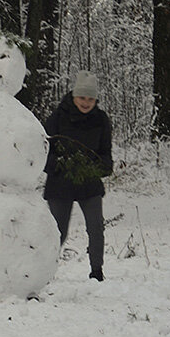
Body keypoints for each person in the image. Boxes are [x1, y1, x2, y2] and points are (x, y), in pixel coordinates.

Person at [42, 69, 114, 281]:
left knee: (96, 226)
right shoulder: (57, 117)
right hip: (59, 183)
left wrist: (95, 168)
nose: (86, 102)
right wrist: (61, 165)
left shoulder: (101, 120)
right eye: (82, 97)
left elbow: (106, 157)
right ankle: (44, 273)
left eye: (91, 99)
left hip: (89, 184)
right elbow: (42, 151)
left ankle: (97, 271)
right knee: (58, 232)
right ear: (74, 97)